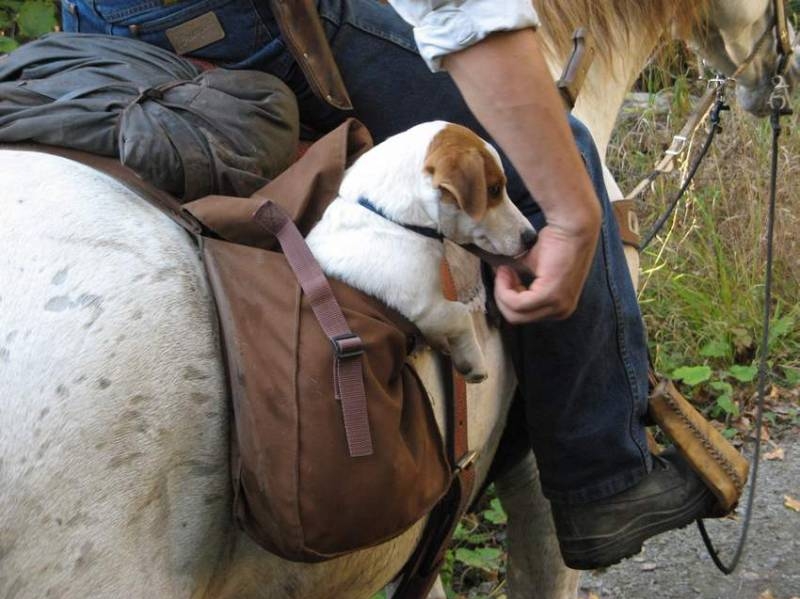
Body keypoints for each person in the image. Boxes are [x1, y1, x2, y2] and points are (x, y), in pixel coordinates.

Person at [60, 0, 717, 569]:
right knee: (563, 152)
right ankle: (605, 480)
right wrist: (571, 211)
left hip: (95, 21)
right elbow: (462, 12)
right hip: (244, 19)